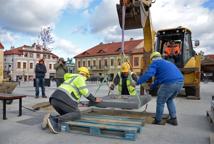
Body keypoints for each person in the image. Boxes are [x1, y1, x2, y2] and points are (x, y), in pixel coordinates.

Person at [47, 67, 102, 133]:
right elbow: (85, 92)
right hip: (62, 100)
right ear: (86, 75)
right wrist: (94, 99)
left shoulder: (71, 78)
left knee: (68, 114)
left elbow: (72, 93)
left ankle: (51, 118)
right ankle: (55, 120)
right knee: (77, 114)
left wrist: (77, 103)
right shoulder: (80, 78)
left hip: (54, 99)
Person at [137, 52, 184, 125]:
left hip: (169, 83)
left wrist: (138, 82)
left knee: (160, 101)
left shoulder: (155, 63)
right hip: (180, 82)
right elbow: (158, 80)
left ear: (152, 59)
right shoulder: (167, 63)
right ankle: (173, 119)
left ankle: (158, 120)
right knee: (169, 99)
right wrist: (152, 87)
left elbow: (149, 74)